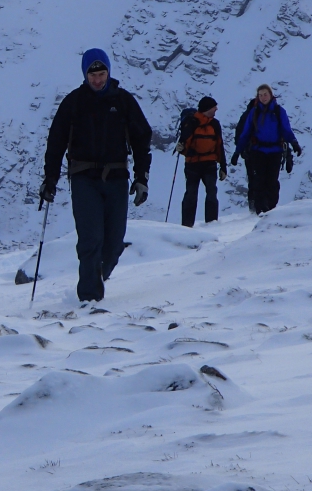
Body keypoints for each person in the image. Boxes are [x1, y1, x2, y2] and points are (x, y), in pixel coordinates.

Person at [40, 48, 153, 303]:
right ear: (85, 75)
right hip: (83, 179)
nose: (98, 80)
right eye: (93, 75)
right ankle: (89, 300)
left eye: (102, 74)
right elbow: (55, 142)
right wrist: (50, 179)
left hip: (116, 178)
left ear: (108, 72)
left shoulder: (123, 101)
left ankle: (99, 275)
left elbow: (141, 139)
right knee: (91, 239)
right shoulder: (73, 103)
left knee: (113, 244)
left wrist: (141, 177)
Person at [231, 84, 302, 214]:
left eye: (265, 94)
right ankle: (260, 210)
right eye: (260, 95)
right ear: (257, 97)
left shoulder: (279, 111)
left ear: (271, 95)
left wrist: (294, 143)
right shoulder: (254, 112)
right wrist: (237, 151)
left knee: (272, 181)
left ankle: (271, 209)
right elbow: (245, 133)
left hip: (275, 151)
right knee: (259, 181)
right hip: (258, 152)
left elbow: (286, 130)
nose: (263, 97)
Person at [176, 96, 226, 227]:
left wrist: (223, 166)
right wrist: (222, 166)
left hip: (195, 163)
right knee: (207, 192)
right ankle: (210, 223)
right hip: (204, 163)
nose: (216, 109)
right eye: (214, 107)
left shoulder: (210, 123)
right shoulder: (195, 122)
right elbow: (219, 145)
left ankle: (188, 225)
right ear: (207, 108)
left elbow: (219, 145)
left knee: (193, 193)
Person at [231, 98, 257, 213]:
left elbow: (239, 135)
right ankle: (262, 206)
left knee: (252, 179)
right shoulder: (266, 116)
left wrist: (240, 151)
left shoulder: (245, 116)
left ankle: (254, 206)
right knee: (264, 179)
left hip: (249, 153)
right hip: (257, 153)